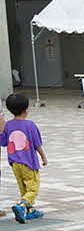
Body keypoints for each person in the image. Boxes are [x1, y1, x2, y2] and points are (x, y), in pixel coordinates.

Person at [2, 93, 47, 223]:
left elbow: (3, 142)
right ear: (26, 109)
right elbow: (37, 143)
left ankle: (30, 211)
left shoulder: (8, 125)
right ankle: (21, 206)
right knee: (33, 188)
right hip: (28, 163)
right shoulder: (30, 125)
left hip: (15, 163)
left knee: (23, 187)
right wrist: (43, 157)